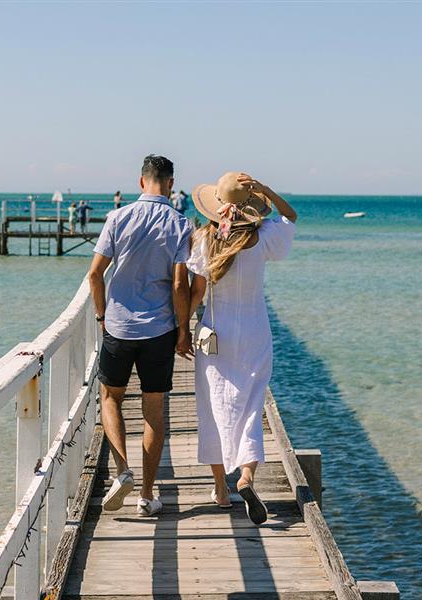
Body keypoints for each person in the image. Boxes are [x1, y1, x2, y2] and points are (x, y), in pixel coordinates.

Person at [186, 172, 297, 525]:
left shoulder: (205, 240)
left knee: (213, 405)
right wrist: (265, 189)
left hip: (215, 334)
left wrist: (181, 329)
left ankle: (221, 490)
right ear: (250, 206)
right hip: (254, 332)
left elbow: (196, 292)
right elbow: (290, 216)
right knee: (251, 406)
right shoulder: (261, 237)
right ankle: (246, 478)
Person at [88, 155, 194, 517]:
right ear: (170, 182)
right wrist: (184, 331)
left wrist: (103, 315)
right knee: (154, 411)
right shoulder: (181, 223)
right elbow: (181, 284)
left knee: (110, 398)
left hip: (118, 326)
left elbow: (94, 274)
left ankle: (122, 472)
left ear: (140, 182)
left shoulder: (117, 218)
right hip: (159, 330)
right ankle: (147, 496)